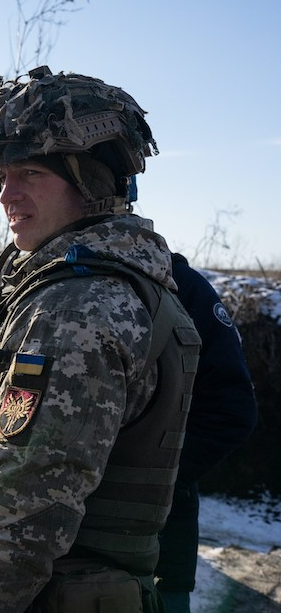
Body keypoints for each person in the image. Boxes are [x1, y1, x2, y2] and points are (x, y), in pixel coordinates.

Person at [0, 67, 202, 613]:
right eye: (2, 176)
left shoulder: (77, 306)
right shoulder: (127, 281)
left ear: (92, 181)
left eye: (30, 172)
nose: (8, 195)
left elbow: (25, 510)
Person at [155, 253, 257, 612]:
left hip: (156, 550)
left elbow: (231, 410)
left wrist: (150, 480)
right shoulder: (39, 279)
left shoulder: (178, 285)